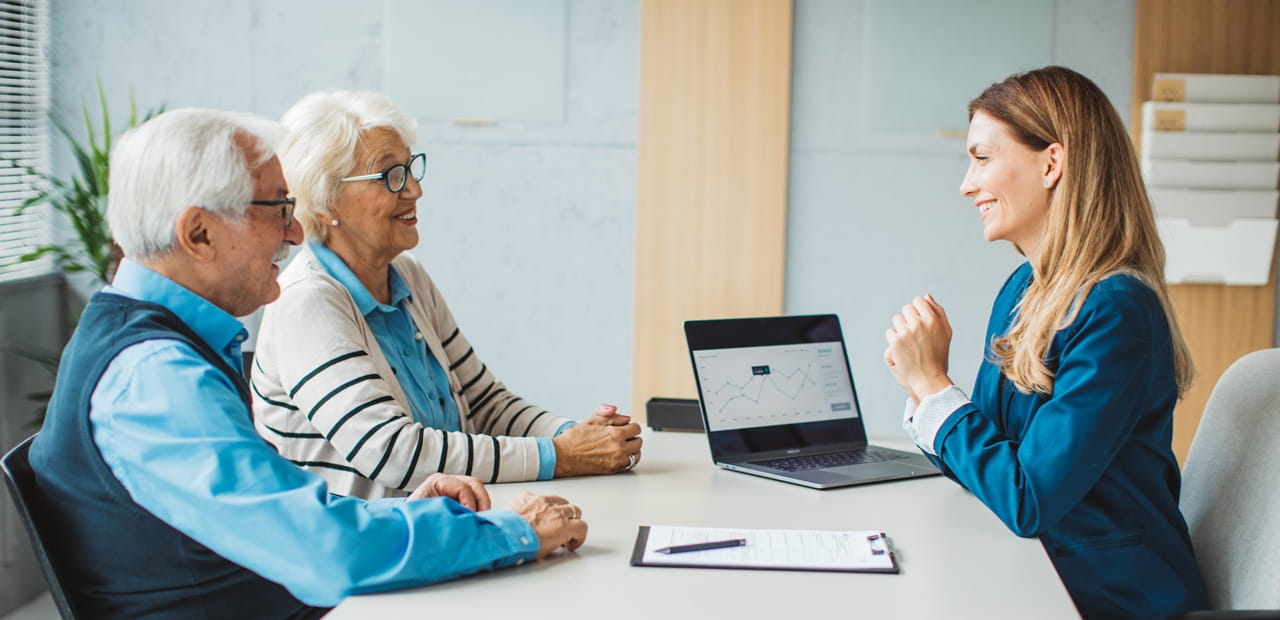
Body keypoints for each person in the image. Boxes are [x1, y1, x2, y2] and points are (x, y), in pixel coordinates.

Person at [27, 108, 588, 618]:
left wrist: (410, 518)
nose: (295, 234)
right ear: (198, 233)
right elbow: (327, 553)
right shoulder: (154, 378)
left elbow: (286, 519)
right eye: (277, 209)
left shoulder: (144, 342)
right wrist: (509, 532)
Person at [882, 66, 1208, 618]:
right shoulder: (1023, 289)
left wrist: (934, 386)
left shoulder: (1116, 309)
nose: (966, 183)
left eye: (982, 158)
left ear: (1051, 163)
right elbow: (993, 460)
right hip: (1040, 570)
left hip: (1109, 595)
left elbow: (1028, 498)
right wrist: (923, 393)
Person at [250, 90, 642, 499]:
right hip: (363, 548)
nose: (414, 190)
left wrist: (579, 437)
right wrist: (561, 455)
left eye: (410, 168)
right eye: (390, 176)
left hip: (438, 527)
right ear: (326, 202)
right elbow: (395, 453)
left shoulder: (406, 273)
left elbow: (485, 404)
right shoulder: (307, 301)